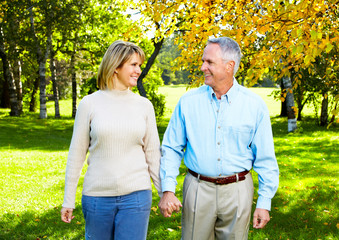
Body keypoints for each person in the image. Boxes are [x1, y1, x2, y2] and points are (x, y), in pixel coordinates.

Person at [158, 37, 279, 239]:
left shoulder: (254, 106)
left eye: (209, 62)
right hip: (197, 189)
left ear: (229, 66)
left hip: (238, 191)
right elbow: (171, 148)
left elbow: (265, 158)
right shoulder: (188, 102)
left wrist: (264, 202)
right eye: (203, 61)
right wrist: (168, 190)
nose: (203, 66)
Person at [60, 40, 162, 240]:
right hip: (97, 198)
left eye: (139, 65)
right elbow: (76, 155)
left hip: (137, 196)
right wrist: (68, 200)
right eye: (133, 65)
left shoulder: (144, 105)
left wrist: (164, 192)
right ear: (116, 66)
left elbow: (153, 153)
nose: (138, 70)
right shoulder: (89, 104)